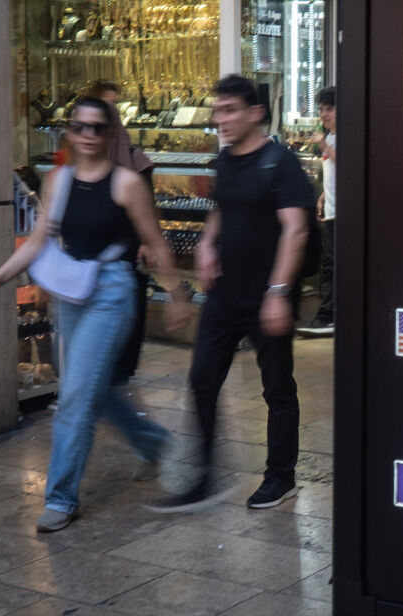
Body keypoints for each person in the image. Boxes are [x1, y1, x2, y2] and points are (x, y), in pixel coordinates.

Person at [0, 96, 191, 533]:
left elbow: (156, 242)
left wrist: (178, 294)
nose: (87, 135)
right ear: (70, 131)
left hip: (112, 291)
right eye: (79, 126)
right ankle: (153, 442)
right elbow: (38, 241)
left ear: (110, 135)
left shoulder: (126, 184)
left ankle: (61, 497)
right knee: (91, 389)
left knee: (75, 397)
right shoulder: (58, 180)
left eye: (97, 128)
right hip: (72, 290)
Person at [150, 75, 311, 511]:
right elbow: (224, 208)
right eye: (217, 111)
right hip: (224, 295)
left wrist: (279, 292)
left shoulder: (281, 163)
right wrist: (205, 243)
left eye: (230, 111)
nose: (220, 119)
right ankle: (201, 477)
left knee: (277, 388)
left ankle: (282, 477)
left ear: (255, 112)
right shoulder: (225, 162)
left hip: (267, 295)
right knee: (202, 379)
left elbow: (296, 229)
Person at [84, 79, 157, 386]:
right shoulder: (87, 167)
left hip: (131, 248)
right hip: (98, 250)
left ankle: (123, 366)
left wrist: (146, 243)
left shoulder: (137, 164)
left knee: (130, 308)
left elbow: (148, 209)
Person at [298, 86, 336, 337]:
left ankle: (328, 317)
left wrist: (323, 144)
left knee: (331, 265)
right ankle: (328, 315)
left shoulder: (339, 137)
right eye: (321, 109)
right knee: (329, 264)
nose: (324, 114)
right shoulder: (331, 136)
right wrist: (323, 196)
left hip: (343, 215)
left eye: (329, 109)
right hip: (332, 211)